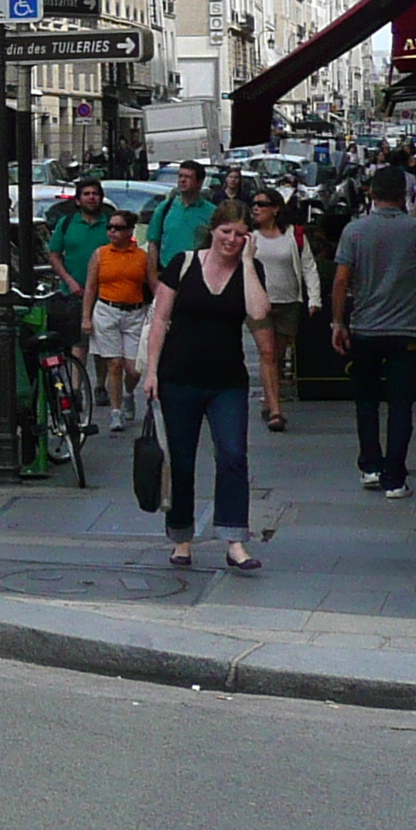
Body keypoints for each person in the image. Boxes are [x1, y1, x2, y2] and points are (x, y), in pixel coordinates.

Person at [141, 209, 268, 573]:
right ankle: (182, 537)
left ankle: (235, 540)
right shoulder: (183, 264)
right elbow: (160, 319)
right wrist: (152, 372)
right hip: (178, 377)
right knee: (180, 461)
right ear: (212, 231)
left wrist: (247, 262)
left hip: (227, 381)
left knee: (232, 456)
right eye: (227, 231)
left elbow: (259, 312)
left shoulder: (250, 271)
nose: (232, 239)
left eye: (241, 234)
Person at [330, 169, 416, 498]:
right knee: (401, 405)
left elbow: (341, 279)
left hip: (365, 328)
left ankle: (370, 466)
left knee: (366, 402)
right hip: (406, 328)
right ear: (404, 193)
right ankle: (395, 477)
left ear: (371, 193)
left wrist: (338, 322)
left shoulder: (354, 231)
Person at [242, 190, 321, 433]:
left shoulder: (293, 236)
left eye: (262, 204)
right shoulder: (249, 237)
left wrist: (314, 298)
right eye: (254, 204)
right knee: (267, 353)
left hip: (288, 302)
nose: (256, 208)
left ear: (276, 209)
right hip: (259, 303)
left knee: (277, 354)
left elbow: (308, 266)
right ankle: (276, 411)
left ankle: (269, 397)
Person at [82, 210, 152, 422]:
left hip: (135, 313)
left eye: (118, 228)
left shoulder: (142, 256)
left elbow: (153, 283)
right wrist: (86, 317)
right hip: (106, 310)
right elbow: (91, 287)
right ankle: (116, 411)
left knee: (134, 369)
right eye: (110, 227)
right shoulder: (101, 254)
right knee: (114, 363)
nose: (112, 231)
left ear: (130, 231)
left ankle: (129, 393)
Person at [43, 179, 112, 302]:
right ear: (78, 201)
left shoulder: (112, 224)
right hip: (73, 294)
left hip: (106, 296)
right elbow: (54, 256)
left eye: (95, 194)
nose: (91, 197)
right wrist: (70, 281)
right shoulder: (66, 223)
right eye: (86, 194)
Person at [150, 161, 218, 267]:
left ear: (199, 182)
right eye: (180, 176)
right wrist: (153, 276)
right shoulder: (165, 208)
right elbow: (153, 242)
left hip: (198, 272)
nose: (182, 180)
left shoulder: (212, 212)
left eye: (188, 177)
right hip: (167, 271)